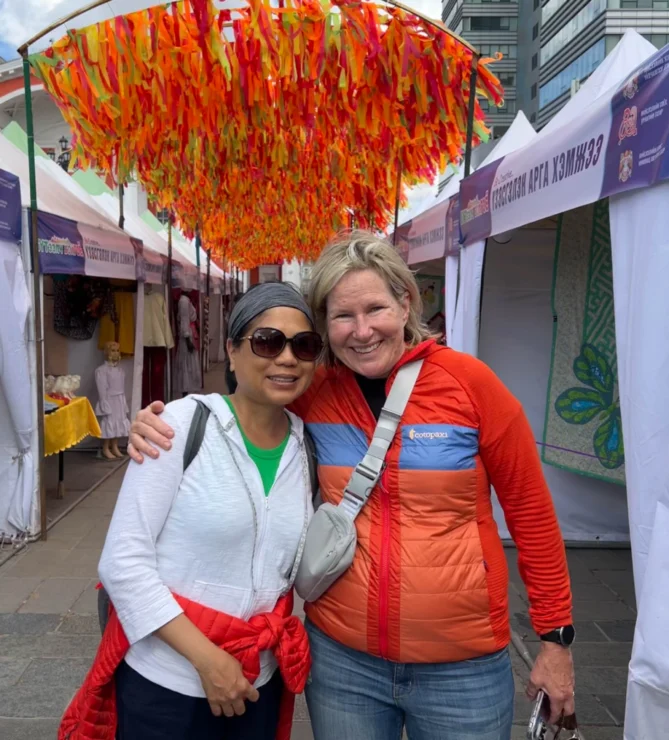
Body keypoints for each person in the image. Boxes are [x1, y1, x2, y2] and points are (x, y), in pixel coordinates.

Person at [128, 231, 576, 740]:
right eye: (343, 316)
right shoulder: (314, 391)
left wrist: (555, 643)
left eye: (375, 309)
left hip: (463, 668)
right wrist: (162, 421)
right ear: (325, 326)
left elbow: (532, 516)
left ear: (406, 303)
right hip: (344, 665)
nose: (362, 331)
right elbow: (245, 408)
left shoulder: (470, 385)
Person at [60, 282, 323, 740]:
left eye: (303, 346)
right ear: (233, 351)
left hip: (257, 681)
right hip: (168, 685)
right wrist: (207, 660)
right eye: (266, 341)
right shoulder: (180, 426)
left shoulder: (308, 447)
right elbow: (123, 563)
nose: (286, 358)